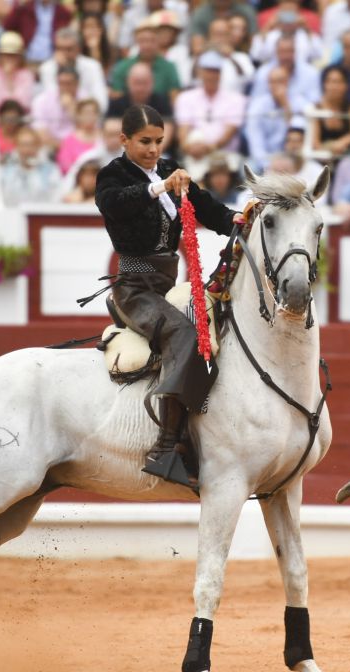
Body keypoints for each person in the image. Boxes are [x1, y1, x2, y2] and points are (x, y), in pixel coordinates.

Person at [93, 103, 241, 490]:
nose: (153, 150)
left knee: (216, 328)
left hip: (166, 286)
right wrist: (160, 186)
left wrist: (239, 220)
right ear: (123, 140)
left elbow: (207, 207)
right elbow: (116, 204)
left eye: (158, 141)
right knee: (185, 334)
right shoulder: (112, 176)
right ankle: (165, 447)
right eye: (144, 142)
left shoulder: (167, 168)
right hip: (134, 288)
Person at [174, 50, 246, 178]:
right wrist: (188, 147)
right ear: (200, 72)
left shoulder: (236, 99)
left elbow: (229, 133)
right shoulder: (185, 98)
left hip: (224, 155)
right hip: (193, 154)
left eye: (215, 71)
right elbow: (183, 130)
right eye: (207, 71)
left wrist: (208, 148)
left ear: (220, 73)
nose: (211, 75)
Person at [245, 64, 306, 172]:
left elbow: (298, 136)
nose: (276, 85)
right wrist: (270, 166)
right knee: (250, 168)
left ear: (288, 82)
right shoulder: (257, 106)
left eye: (280, 81)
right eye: (272, 82)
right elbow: (256, 145)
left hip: (292, 161)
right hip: (265, 161)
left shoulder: (299, 102)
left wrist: (286, 107)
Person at [0, 125, 61, 206]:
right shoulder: (4, 171)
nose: (27, 150)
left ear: (38, 146)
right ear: (16, 147)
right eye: (23, 145)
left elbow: (57, 197)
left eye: (31, 144)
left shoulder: (50, 170)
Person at [109, 18, 180, 101]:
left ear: (158, 42)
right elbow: (117, 97)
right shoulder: (123, 67)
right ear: (137, 42)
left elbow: (174, 98)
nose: (147, 45)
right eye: (143, 41)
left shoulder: (169, 68)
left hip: (161, 111)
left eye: (151, 40)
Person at [39, 28, 108, 112]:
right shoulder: (47, 68)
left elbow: (102, 104)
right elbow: (50, 101)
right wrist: (62, 70)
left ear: (79, 49)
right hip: (56, 118)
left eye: (69, 49)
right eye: (59, 49)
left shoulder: (93, 66)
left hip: (87, 117)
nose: (64, 53)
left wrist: (76, 107)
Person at [310, 64, 350, 157]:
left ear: (346, 85)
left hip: (348, 156)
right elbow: (314, 142)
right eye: (330, 82)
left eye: (338, 82)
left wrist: (340, 144)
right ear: (324, 85)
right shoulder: (315, 109)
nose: (334, 86)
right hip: (321, 157)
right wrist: (329, 151)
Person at [3, 0, 72, 65]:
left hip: (53, 60)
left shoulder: (63, 12)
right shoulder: (25, 8)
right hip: (28, 58)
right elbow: (7, 26)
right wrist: (20, 6)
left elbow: (66, 37)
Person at [56, 97, 100, 174]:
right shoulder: (69, 140)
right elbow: (64, 165)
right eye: (86, 113)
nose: (90, 116)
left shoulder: (104, 137)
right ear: (78, 116)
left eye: (93, 113)